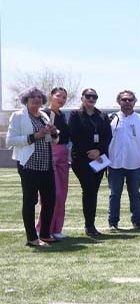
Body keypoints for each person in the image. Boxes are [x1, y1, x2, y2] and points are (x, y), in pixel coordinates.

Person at [7, 88, 59, 247]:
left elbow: (52, 140)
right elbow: (10, 140)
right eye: (32, 97)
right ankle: (32, 237)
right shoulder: (18, 116)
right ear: (25, 100)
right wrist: (34, 137)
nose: (36, 99)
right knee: (30, 201)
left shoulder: (44, 115)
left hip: (47, 165)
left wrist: (54, 133)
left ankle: (44, 234)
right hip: (28, 165)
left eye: (38, 97)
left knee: (50, 200)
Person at [107, 90, 140, 231]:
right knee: (114, 194)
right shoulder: (111, 119)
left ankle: (137, 220)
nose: (127, 102)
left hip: (134, 163)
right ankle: (113, 222)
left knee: (135, 193)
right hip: (114, 163)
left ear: (134, 102)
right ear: (118, 101)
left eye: (130, 100)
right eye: (124, 100)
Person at [69, 87, 113, 237]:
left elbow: (108, 136)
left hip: (99, 159)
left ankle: (91, 225)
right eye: (88, 96)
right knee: (88, 189)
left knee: (93, 191)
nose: (91, 99)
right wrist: (89, 152)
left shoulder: (102, 115)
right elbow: (74, 136)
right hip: (81, 159)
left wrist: (98, 151)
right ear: (82, 98)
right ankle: (89, 225)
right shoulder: (75, 115)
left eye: (94, 96)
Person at [38, 87, 71, 239]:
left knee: (62, 194)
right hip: (50, 152)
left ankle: (57, 228)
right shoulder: (44, 113)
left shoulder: (62, 115)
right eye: (58, 96)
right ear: (51, 96)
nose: (61, 99)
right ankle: (43, 228)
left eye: (64, 97)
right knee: (52, 194)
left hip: (63, 155)